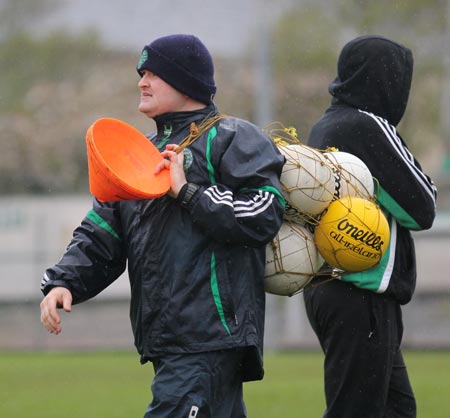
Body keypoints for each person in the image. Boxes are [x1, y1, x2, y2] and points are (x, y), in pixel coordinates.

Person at [40, 33, 286, 418]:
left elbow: (264, 213)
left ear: (187, 82)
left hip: (209, 338)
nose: (142, 81)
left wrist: (187, 192)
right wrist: (63, 281)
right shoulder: (137, 155)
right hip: (168, 342)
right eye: (141, 72)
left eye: (154, 73)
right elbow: (101, 233)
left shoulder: (234, 137)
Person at [303, 35, 437, 418]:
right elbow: (422, 208)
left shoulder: (325, 126)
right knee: (357, 410)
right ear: (385, 79)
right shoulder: (367, 125)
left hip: (328, 289)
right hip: (361, 294)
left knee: (396, 409)